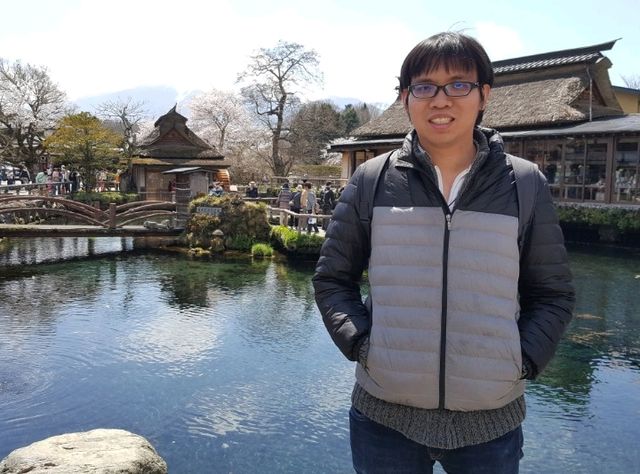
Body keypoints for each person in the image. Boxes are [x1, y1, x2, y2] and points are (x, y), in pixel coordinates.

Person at [313, 32, 575, 474]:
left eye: (458, 85)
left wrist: (522, 360)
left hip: (491, 423)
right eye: (424, 86)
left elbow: (552, 293)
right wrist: (362, 344)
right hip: (384, 416)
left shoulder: (524, 184)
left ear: (484, 95)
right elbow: (333, 279)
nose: (440, 100)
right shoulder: (371, 180)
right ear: (405, 97)